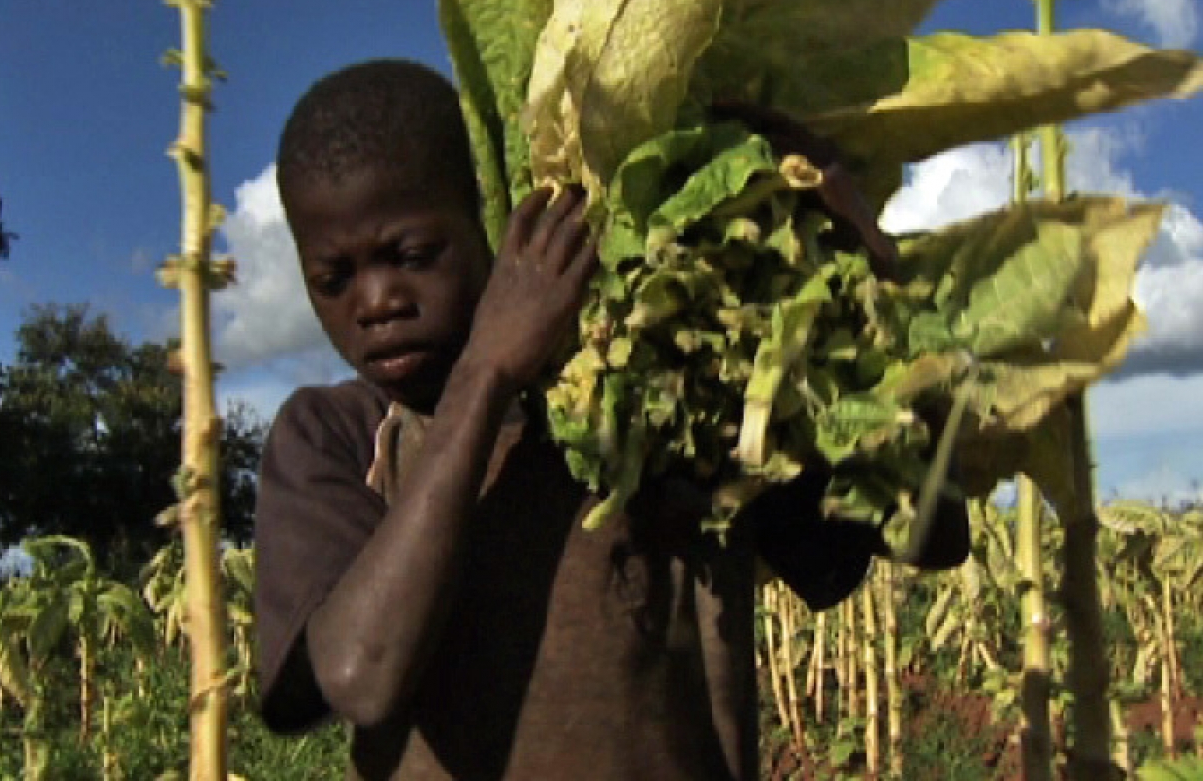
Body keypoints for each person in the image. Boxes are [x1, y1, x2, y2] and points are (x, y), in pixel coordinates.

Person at [255, 59, 969, 781]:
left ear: (489, 213)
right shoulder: (335, 437)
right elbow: (359, 674)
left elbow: (931, 533)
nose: (376, 302)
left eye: (411, 255)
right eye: (333, 279)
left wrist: (866, 260)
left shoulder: (658, 393)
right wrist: (487, 373)